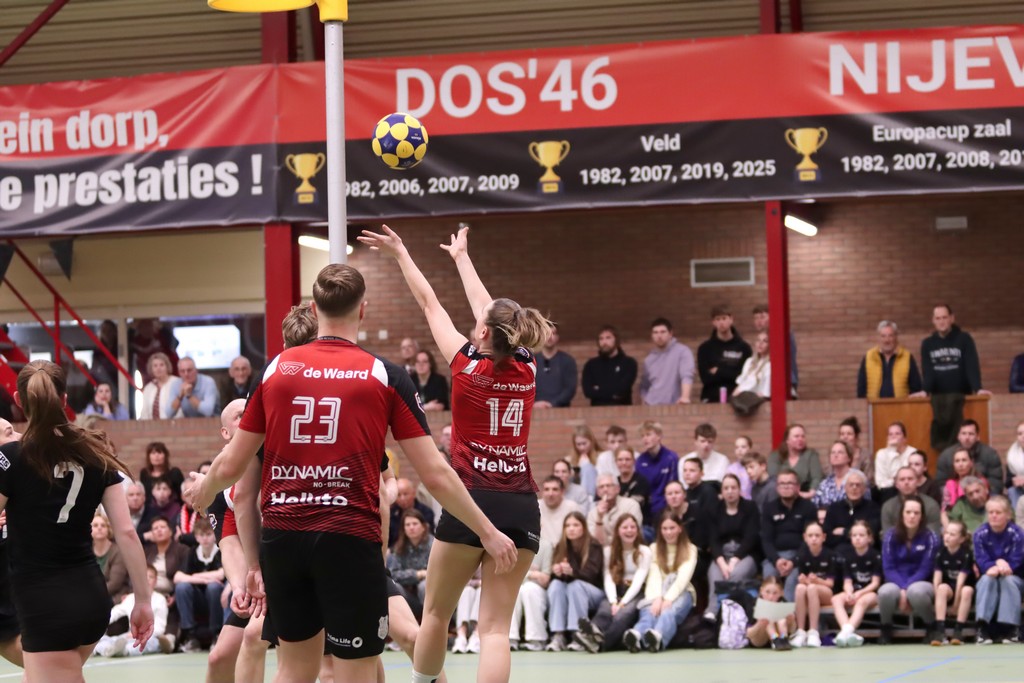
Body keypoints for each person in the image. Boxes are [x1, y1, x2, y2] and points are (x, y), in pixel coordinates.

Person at [357, 224, 537, 683]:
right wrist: (461, 258)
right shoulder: (528, 366)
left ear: (483, 332)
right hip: (520, 503)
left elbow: (429, 303)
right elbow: (489, 312)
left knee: (436, 613)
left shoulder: (465, 363)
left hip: (470, 498)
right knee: (494, 630)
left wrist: (402, 254)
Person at [0, 361, 153, 681]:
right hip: (91, 599)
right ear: (64, 399)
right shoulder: (95, 452)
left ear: (18, 400)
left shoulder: (12, 458)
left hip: (44, 604)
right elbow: (127, 532)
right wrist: (142, 600)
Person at [622, 511, 697, 653]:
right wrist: (657, 598)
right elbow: (654, 576)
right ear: (660, 530)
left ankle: (658, 638)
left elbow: (683, 577)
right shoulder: (654, 548)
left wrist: (668, 599)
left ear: (680, 528)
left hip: (681, 592)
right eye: (665, 529)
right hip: (656, 591)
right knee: (649, 611)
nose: (668, 532)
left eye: (672, 528)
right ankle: (637, 635)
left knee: (668, 611)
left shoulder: (690, 548)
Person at [574, 514, 650, 654]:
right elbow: (608, 577)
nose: (629, 530)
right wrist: (613, 601)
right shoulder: (609, 551)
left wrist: (622, 603)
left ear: (637, 530)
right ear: (618, 531)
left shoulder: (644, 551)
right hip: (616, 589)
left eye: (632, 527)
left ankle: (601, 644)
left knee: (623, 615)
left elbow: (639, 580)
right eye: (625, 527)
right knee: (605, 610)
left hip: (636, 592)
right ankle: (591, 632)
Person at [878, 495, 939, 645]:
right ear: (902, 514)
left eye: (916, 513)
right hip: (895, 580)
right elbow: (888, 568)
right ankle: (886, 627)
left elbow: (925, 568)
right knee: (885, 592)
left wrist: (906, 588)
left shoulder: (931, 537)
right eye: (908, 512)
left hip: (922, 581)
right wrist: (902, 587)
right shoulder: (890, 536)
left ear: (921, 516)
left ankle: (931, 626)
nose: (912, 516)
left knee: (916, 592)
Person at [544, 512, 604, 652]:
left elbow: (592, 575)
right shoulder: (561, 546)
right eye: (568, 525)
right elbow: (555, 578)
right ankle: (558, 635)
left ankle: (578, 634)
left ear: (584, 527)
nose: (571, 529)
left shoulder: (594, 545)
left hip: (594, 592)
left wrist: (572, 572)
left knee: (575, 586)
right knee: (556, 585)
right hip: (570, 589)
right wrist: (557, 573)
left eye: (576, 525)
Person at [705, 474, 760, 619]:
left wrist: (735, 559)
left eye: (733, 488)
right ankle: (712, 611)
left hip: (745, 553)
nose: (730, 491)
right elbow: (713, 539)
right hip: (721, 554)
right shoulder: (714, 509)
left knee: (736, 574)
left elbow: (751, 537)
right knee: (715, 575)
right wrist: (722, 562)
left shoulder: (750, 507)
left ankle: (727, 612)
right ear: (721, 492)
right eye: (726, 488)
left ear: (740, 490)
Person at [972, 495, 1024, 645]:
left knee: (1008, 580)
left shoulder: (1018, 533)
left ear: (1008, 514)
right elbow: (981, 559)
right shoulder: (979, 534)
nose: (994, 516)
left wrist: (1003, 565)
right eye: (991, 512)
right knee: (986, 580)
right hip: (990, 574)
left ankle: (1011, 629)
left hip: (1015, 577)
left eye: (998, 512)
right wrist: (995, 564)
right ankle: (982, 628)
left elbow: (1017, 560)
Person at [760, 470, 817, 601]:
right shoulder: (769, 508)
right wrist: (776, 560)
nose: (785, 487)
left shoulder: (809, 507)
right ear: (777, 487)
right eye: (782, 483)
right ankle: (768, 613)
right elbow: (766, 540)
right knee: (769, 578)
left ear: (798, 487)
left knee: (792, 580)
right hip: (775, 556)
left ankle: (788, 613)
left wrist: (794, 561)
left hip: (800, 556)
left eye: (790, 483)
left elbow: (809, 540)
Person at [93, 565, 173, 657]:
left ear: (155, 581)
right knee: (107, 640)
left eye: (150, 577)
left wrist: (141, 634)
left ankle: (124, 651)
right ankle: (106, 649)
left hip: (149, 637)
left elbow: (159, 627)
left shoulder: (160, 599)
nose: (147, 579)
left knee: (151, 643)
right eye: (144, 577)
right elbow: (114, 613)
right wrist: (100, 624)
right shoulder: (130, 598)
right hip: (129, 636)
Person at [173, 517, 226, 652]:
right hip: (198, 598)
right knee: (182, 587)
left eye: (208, 534)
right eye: (201, 535)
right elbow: (177, 577)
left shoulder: (221, 551)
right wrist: (203, 579)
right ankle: (190, 636)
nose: (205, 538)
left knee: (213, 587)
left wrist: (195, 576)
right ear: (196, 537)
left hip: (218, 598)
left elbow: (221, 574)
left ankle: (217, 634)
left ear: (215, 535)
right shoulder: (192, 552)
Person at [831, 520, 882, 647]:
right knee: (836, 599)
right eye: (854, 535)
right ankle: (847, 632)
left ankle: (844, 633)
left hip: (870, 593)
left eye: (861, 535)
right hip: (854, 591)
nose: (857, 538)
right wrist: (849, 592)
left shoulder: (875, 555)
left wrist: (860, 593)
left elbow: (875, 583)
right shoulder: (847, 556)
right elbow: (847, 581)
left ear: (869, 538)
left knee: (861, 602)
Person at [921, 304, 985, 397]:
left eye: (944, 317)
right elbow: (928, 372)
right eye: (938, 318)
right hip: (938, 399)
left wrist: (978, 389)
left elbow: (971, 367)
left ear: (952, 318)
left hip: (963, 397)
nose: (941, 322)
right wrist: (925, 391)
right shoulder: (927, 344)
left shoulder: (964, 339)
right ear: (933, 321)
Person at [790, 521, 835, 649]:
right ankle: (800, 631)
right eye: (810, 536)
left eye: (817, 535)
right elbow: (803, 581)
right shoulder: (802, 556)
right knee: (800, 587)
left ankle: (813, 632)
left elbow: (830, 583)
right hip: (810, 591)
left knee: (812, 588)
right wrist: (804, 580)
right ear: (805, 537)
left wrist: (817, 580)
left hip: (827, 593)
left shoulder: (830, 555)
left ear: (823, 537)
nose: (814, 539)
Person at [931, 520, 975, 646]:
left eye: (952, 534)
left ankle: (958, 631)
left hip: (965, 591)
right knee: (941, 587)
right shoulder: (940, 553)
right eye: (946, 533)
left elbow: (961, 581)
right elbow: (937, 579)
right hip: (949, 590)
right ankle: (940, 631)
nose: (947, 537)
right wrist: (937, 599)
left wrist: (956, 605)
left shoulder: (966, 554)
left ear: (961, 539)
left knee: (966, 590)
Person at [696, 305, 751, 403]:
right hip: (711, 398)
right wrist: (731, 373)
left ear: (731, 319)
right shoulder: (705, 348)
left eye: (724, 318)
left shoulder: (744, 348)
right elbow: (706, 378)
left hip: (737, 398)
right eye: (718, 319)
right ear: (713, 322)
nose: (721, 322)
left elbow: (744, 377)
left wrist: (719, 371)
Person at [857, 320, 923, 399]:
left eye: (890, 336)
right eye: (883, 336)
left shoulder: (907, 357)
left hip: (901, 405)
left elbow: (916, 388)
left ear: (896, 337)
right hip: (874, 405)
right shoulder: (869, 357)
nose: (887, 340)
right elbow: (861, 389)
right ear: (878, 338)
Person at [386, 509, 434, 621]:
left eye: (415, 524)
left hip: (432, 597)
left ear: (423, 527)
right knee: (393, 587)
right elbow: (394, 574)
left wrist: (422, 577)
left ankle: (430, 622)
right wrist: (417, 574)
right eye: (407, 525)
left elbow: (437, 574)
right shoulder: (399, 547)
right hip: (410, 597)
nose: (411, 527)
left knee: (424, 586)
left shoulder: (434, 545)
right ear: (404, 529)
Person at [508, 540, 552, 652]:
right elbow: (508, 574)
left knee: (529, 589)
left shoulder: (546, 545)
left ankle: (536, 640)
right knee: (514, 590)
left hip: (538, 590)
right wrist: (532, 573)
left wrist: (523, 573)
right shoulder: (509, 544)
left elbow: (545, 579)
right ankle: (510, 639)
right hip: (514, 585)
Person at [937, 420, 1003, 494]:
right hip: (954, 496)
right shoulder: (946, 456)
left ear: (977, 437)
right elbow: (940, 484)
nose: (967, 437)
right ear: (958, 436)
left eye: (971, 434)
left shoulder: (990, 455)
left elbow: (996, 484)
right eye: (963, 433)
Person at [822, 470, 880, 552]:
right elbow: (827, 537)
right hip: (838, 553)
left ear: (864, 489)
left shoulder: (873, 508)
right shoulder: (834, 508)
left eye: (858, 485)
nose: (854, 488)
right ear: (845, 488)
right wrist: (858, 534)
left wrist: (844, 532)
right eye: (851, 485)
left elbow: (871, 535)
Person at [639, 318, 694, 405]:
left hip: (675, 406)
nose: (659, 336)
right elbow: (644, 385)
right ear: (652, 335)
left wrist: (685, 397)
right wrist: (645, 401)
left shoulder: (682, 351)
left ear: (670, 334)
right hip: (652, 406)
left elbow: (686, 376)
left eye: (663, 332)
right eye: (655, 332)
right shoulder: (649, 359)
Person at [581, 326, 637, 406]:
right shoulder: (591, 365)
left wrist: (599, 389)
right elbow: (588, 392)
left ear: (616, 340)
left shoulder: (629, 363)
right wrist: (612, 393)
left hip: (623, 411)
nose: (604, 342)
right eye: (601, 339)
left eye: (608, 338)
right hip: (597, 411)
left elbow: (622, 390)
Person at [634, 421, 679, 520]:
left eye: (648, 435)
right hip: (646, 509)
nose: (645, 439)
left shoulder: (671, 458)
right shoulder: (640, 461)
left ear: (659, 436)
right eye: (642, 436)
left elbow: (673, 485)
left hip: (665, 508)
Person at [752, 304, 798, 397]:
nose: (759, 321)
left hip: (783, 380)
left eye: (762, 317)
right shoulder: (762, 337)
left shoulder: (782, 333)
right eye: (756, 318)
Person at [881, 467, 942, 535]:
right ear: (896, 484)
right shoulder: (888, 507)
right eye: (902, 479)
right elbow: (887, 536)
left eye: (910, 479)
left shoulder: (931, 505)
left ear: (917, 482)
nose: (906, 482)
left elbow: (933, 535)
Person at [767, 424, 822, 499]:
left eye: (803, 436)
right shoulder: (775, 456)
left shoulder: (811, 455)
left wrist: (810, 493)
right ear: (787, 440)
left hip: (805, 496)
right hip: (780, 496)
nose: (800, 439)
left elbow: (816, 478)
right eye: (796, 436)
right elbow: (773, 479)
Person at [587, 474, 642, 547]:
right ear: (598, 492)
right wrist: (599, 517)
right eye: (601, 487)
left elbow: (633, 533)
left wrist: (608, 540)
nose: (605, 489)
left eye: (609, 486)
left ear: (617, 489)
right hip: (604, 551)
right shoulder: (592, 513)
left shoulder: (631, 505)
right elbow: (598, 542)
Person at [143, 516, 189, 599]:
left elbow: (185, 575)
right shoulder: (147, 551)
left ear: (170, 532)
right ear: (152, 534)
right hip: (147, 594)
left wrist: (174, 597)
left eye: (163, 527)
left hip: (169, 595)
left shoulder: (182, 550)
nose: (159, 530)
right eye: (155, 528)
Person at [745, 577, 795, 650]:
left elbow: (792, 630)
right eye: (767, 592)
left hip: (780, 637)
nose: (771, 597)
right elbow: (748, 634)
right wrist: (759, 624)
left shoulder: (783, 603)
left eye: (775, 593)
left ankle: (783, 639)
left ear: (781, 593)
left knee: (782, 620)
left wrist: (791, 621)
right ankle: (775, 639)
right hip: (759, 640)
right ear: (761, 591)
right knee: (768, 617)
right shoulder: (753, 604)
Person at [534, 324, 577, 408]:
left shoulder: (567, 360)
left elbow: (570, 388)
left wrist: (552, 404)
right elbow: (526, 386)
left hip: (561, 411)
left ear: (558, 337)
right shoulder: (532, 361)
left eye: (553, 333)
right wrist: (533, 404)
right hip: (535, 410)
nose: (550, 337)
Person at [92, 512, 130, 602]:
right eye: (95, 525)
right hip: (90, 594)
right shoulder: (86, 550)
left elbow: (115, 584)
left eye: (103, 525)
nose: (99, 528)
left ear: (108, 529)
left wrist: (91, 594)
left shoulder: (118, 551)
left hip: (114, 596)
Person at [874, 421, 916, 500]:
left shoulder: (912, 453)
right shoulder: (881, 454)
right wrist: (892, 451)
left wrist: (893, 480)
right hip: (888, 493)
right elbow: (880, 483)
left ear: (904, 438)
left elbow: (911, 478)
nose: (893, 437)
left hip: (910, 490)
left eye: (897, 434)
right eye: (890, 434)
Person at [389, 477, 436, 547]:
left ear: (414, 493)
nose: (402, 498)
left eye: (405, 494)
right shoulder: (392, 513)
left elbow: (429, 535)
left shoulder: (426, 512)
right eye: (398, 495)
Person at [812, 441, 859, 510]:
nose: (836, 455)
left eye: (840, 452)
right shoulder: (825, 483)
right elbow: (814, 506)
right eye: (833, 452)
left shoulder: (858, 478)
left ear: (849, 458)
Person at [539, 476, 580, 549]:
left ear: (562, 492)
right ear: (542, 492)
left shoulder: (572, 507)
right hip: (542, 551)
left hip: (566, 549)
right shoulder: (535, 507)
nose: (550, 494)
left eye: (555, 489)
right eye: (546, 489)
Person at [139, 352, 182, 420]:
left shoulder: (177, 383)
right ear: (151, 369)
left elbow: (181, 410)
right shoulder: (148, 388)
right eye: (155, 366)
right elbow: (144, 412)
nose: (158, 368)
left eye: (161, 365)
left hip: (174, 424)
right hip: (151, 425)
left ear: (167, 366)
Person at [941, 448, 978, 523]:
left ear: (971, 462)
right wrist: (948, 527)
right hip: (953, 523)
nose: (960, 464)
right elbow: (944, 512)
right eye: (957, 461)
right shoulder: (950, 484)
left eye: (964, 460)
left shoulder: (979, 483)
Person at [732, 331, 771, 401]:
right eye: (758, 340)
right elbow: (741, 382)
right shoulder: (749, 361)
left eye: (765, 341)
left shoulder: (769, 364)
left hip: (759, 399)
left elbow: (766, 390)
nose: (760, 343)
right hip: (742, 397)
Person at [615, 447, 650, 523]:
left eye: (627, 459)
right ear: (616, 462)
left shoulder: (641, 482)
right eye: (620, 460)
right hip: (617, 523)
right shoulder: (613, 482)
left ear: (634, 461)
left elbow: (632, 507)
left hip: (640, 524)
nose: (624, 463)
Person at [567, 425, 599, 498]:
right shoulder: (569, 460)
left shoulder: (600, 457)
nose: (582, 447)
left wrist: (587, 465)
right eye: (578, 444)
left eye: (584, 443)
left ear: (591, 441)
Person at [838, 417, 872, 486]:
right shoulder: (835, 454)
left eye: (849, 434)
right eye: (842, 434)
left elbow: (869, 480)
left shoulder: (865, 455)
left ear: (856, 437)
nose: (845, 437)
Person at [1005, 420, 1024, 510]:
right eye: (1020, 434)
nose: (1023, 436)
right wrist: (1014, 481)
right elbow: (1007, 482)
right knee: (1012, 491)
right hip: (1020, 490)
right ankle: (1018, 517)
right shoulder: (1012, 455)